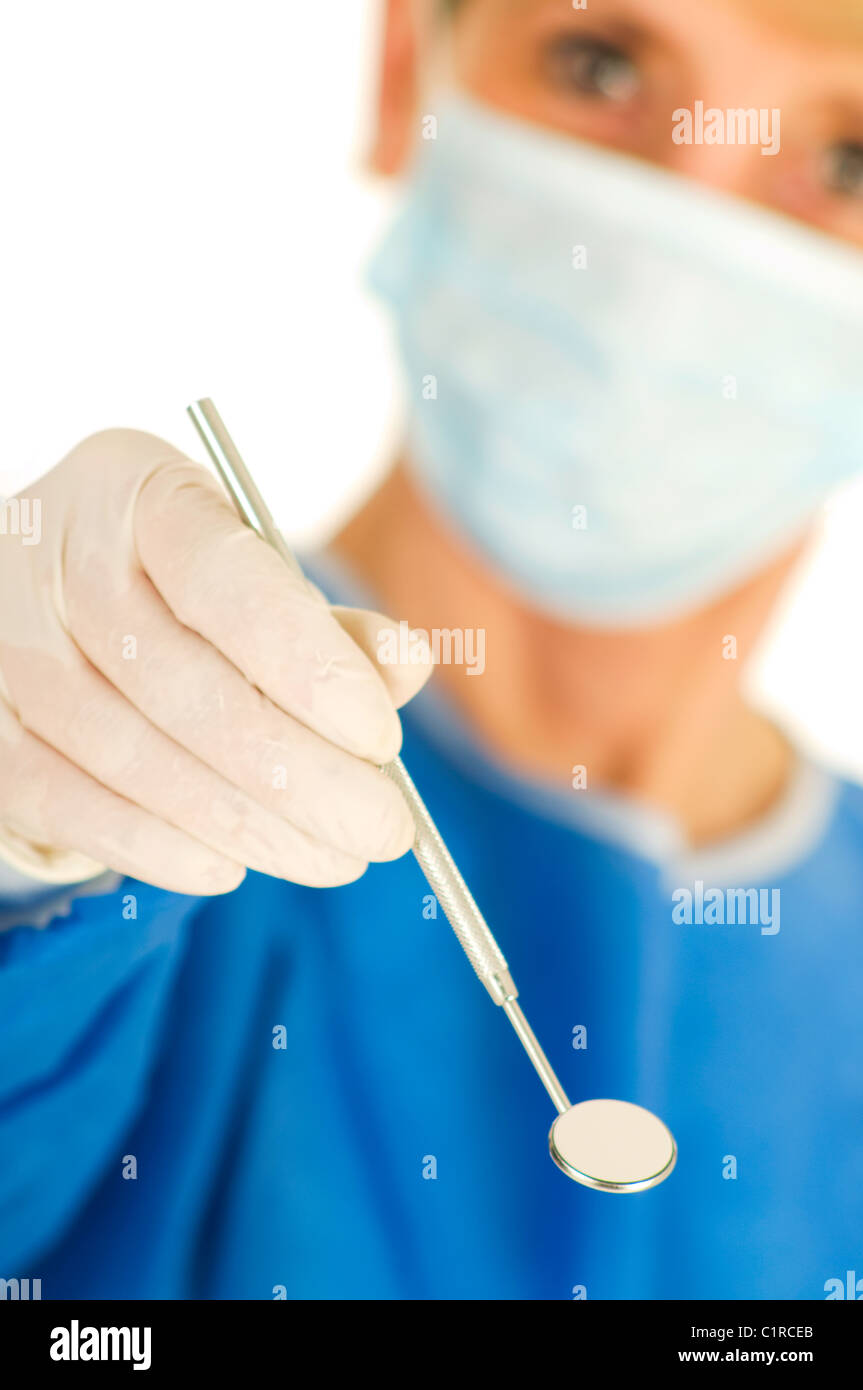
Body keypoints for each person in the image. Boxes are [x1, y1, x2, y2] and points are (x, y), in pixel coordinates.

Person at [1, 0, 862, 1300]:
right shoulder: (116, 792)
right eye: (601, 63)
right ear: (408, 68)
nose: (682, 246)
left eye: (853, 159)